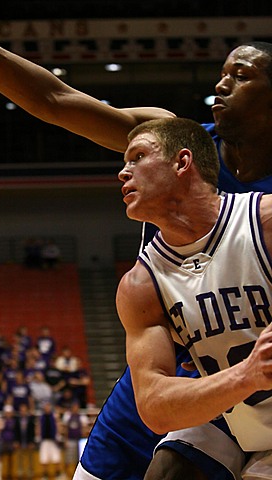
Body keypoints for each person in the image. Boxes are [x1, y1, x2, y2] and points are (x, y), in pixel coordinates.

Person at [0, 10, 271, 477]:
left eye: (239, 77)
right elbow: (56, 100)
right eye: (221, 74)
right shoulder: (174, 140)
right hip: (177, 363)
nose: (221, 86)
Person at [117, 115, 272, 479]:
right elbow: (155, 406)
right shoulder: (140, 284)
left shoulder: (263, 221)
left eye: (137, 157)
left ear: (182, 162)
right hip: (240, 424)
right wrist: (246, 376)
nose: (123, 172)